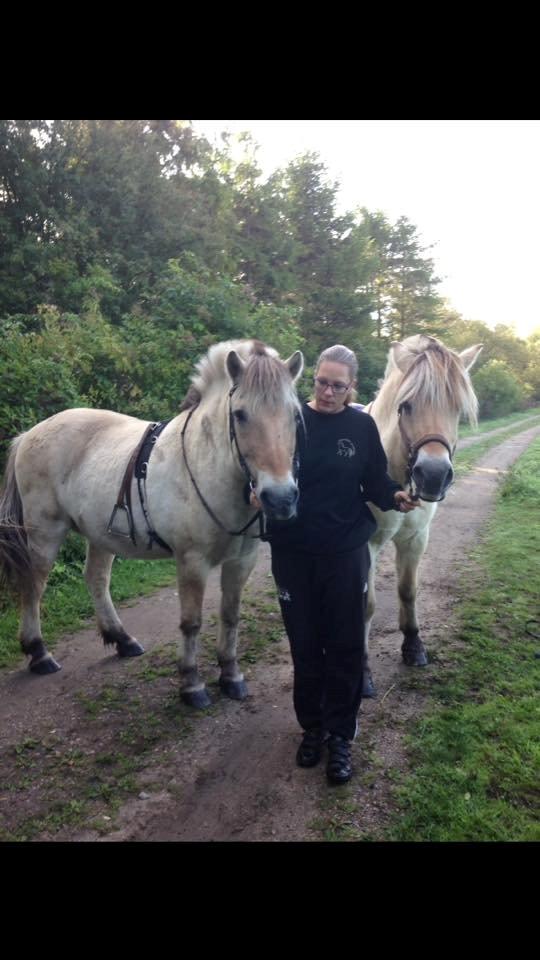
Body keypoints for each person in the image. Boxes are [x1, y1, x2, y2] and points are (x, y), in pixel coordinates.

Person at [253, 344, 418, 785]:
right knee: (305, 648)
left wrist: (394, 496)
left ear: (352, 388)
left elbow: (375, 481)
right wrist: (255, 494)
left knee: (344, 648)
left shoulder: (361, 426)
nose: (327, 392)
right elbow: (260, 466)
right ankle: (313, 729)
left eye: (337, 385)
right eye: (321, 382)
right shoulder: (289, 418)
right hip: (292, 552)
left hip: (345, 553)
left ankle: (341, 735)